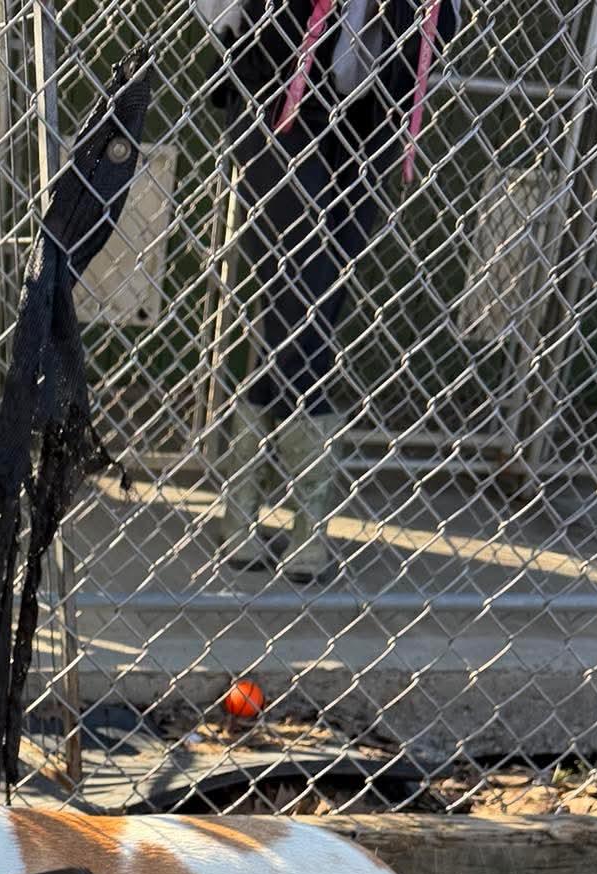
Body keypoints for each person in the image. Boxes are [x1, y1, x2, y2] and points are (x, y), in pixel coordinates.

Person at [201, 0, 460, 580]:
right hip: (273, 81)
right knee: (302, 270)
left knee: (317, 289)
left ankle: (243, 496)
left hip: (377, 103)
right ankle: (304, 509)